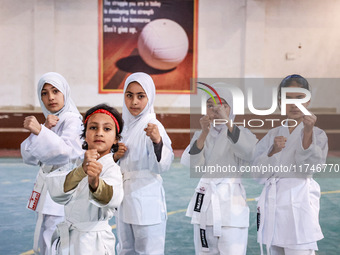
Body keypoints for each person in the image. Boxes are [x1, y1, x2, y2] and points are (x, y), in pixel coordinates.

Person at [253, 74, 328, 255]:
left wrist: (307, 133)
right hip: (273, 205)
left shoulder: (318, 135)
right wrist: (272, 152)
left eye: (299, 98)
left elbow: (310, 169)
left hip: (299, 204)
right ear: (280, 102)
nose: (294, 104)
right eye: (288, 98)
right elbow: (257, 175)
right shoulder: (272, 135)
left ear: (308, 101)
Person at [181, 82, 258, 255]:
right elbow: (191, 164)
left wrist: (228, 123)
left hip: (231, 206)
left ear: (231, 108)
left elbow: (250, 153)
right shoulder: (201, 134)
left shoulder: (242, 133)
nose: (215, 109)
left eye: (222, 105)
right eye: (210, 105)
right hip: (205, 203)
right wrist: (203, 133)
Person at [46, 103, 124, 255]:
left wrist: (95, 182)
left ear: (116, 139)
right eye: (93, 127)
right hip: (68, 239)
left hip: (93, 243)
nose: (99, 133)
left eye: (107, 129)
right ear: (85, 134)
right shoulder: (75, 164)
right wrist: (81, 170)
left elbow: (112, 198)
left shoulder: (112, 169)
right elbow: (56, 190)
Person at [21, 72, 83, 255]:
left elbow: (66, 153)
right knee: (48, 237)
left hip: (65, 187)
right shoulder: (49, 121)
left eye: (55, 91)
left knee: (59, 238)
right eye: (44, 93)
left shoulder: (72, 120)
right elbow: (28, 156)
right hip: (48, 186)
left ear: (65, 92)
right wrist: (44, 129)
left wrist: (41, 131)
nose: (51, 97)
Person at [114, 72, 174, 255]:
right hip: (124, 198)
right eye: (129, 95)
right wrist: (115, 156)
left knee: (148, 250)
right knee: (126, 249)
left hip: (146, 197)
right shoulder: (122, 127)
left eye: (141, 96)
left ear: (150, 97)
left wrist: (157, 142)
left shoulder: (153, 125)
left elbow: (163, 165)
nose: (134, 102)